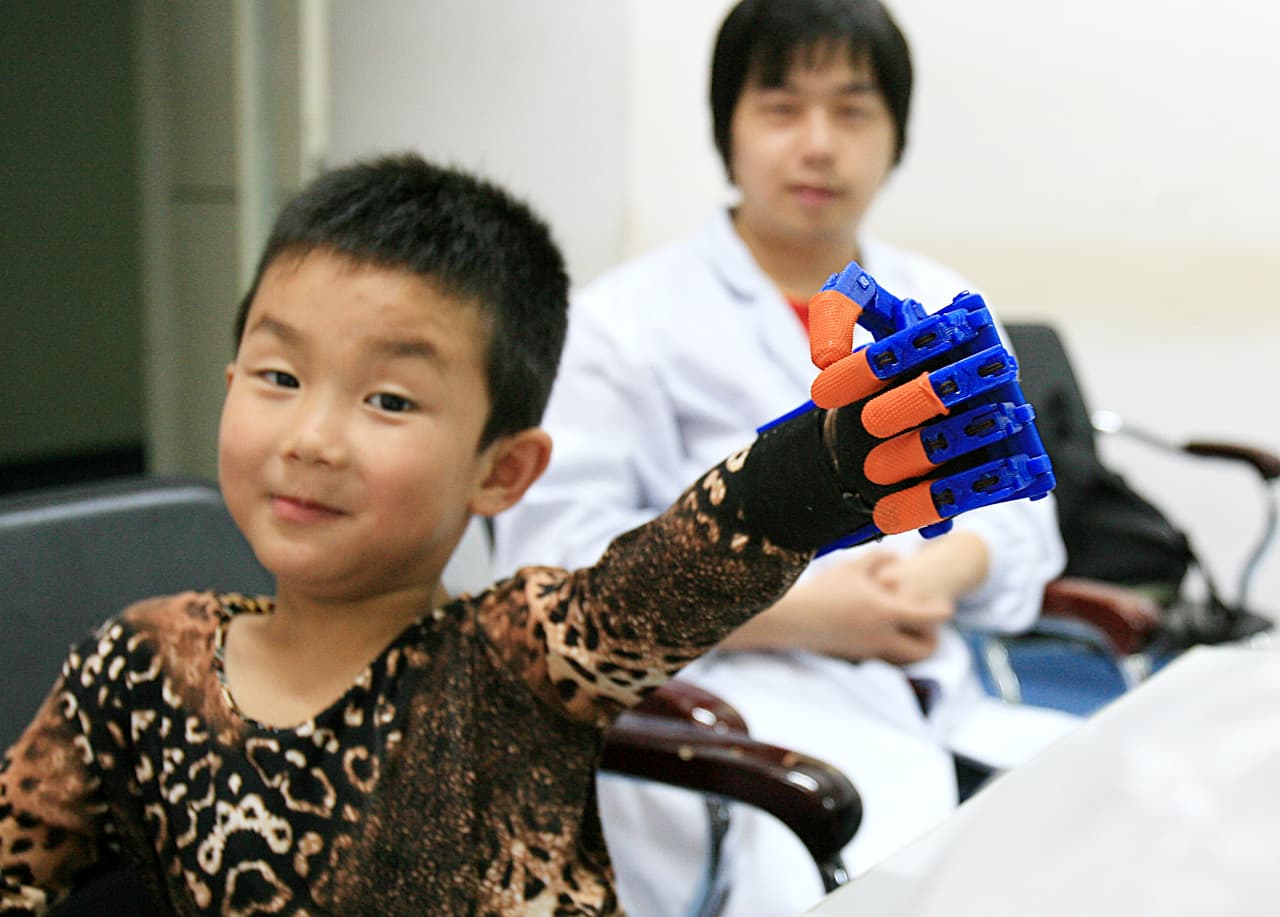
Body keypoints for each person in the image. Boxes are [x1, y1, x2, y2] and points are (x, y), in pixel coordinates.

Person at [0, 154, 1025, 915]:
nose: (312, 437)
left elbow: (670, 571)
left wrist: (820, 469)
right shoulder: (140, 668)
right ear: (228, 387)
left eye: (389, 399)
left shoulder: (515, 655)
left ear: (502, 468)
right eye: (278, 376)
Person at [491, 1, 1075, 914]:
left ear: (894, 136)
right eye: (780, 107)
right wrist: (799, 608)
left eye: (852, 110)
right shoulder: (622, 324)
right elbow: (559, 566)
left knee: (1124, 826)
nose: (817, 145)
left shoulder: (939, 299)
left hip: (939, 684)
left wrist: (950, 567)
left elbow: (1021, 509)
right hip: (733, 714)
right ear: (727, 128)